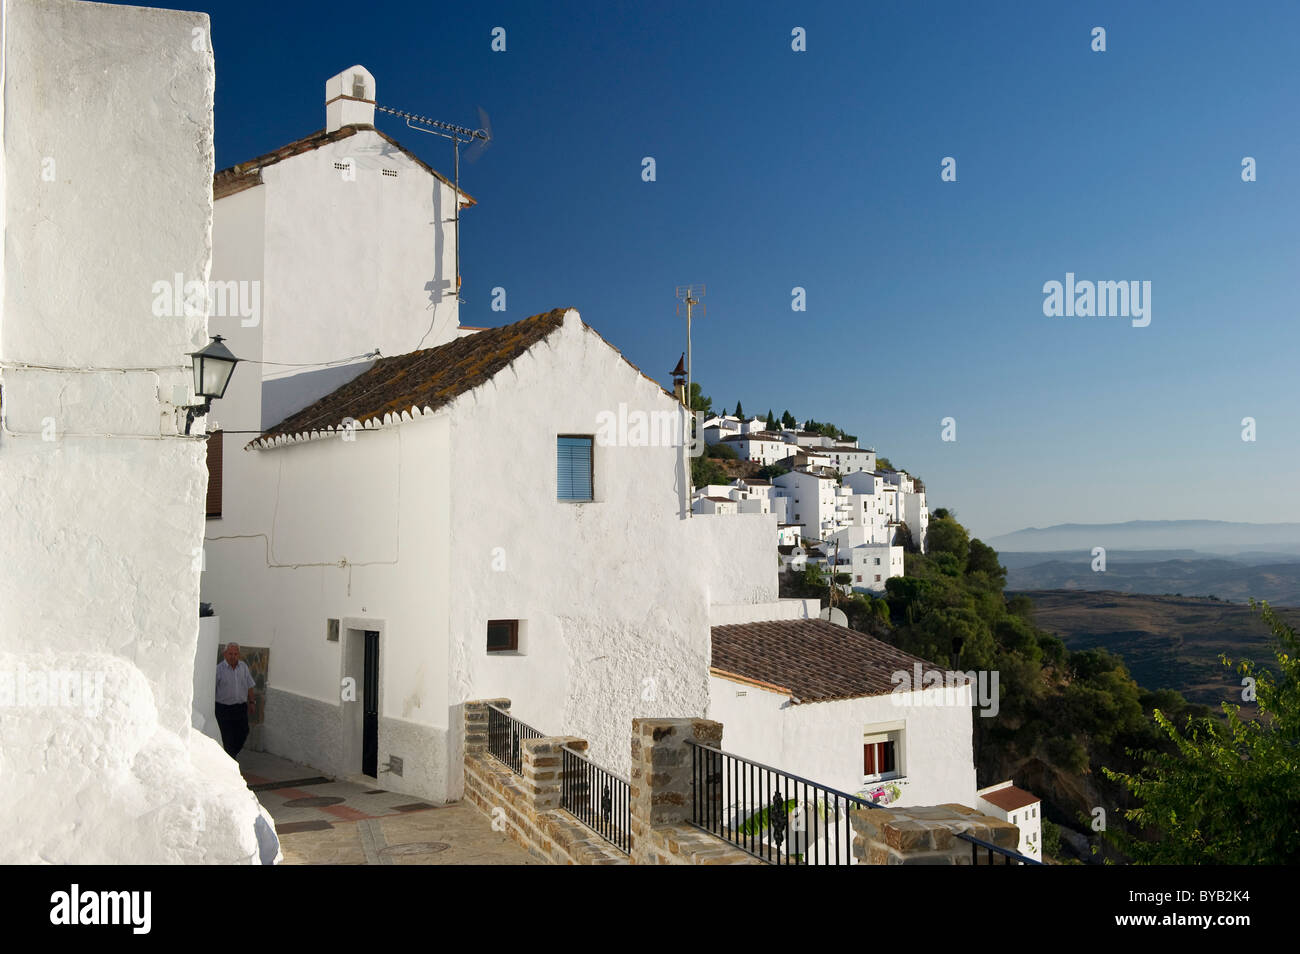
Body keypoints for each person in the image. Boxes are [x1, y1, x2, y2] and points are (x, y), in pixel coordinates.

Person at [215, 641, 256, 758]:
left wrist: (252, 702)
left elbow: (250, 685)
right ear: (225, 654)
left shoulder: (243, 667)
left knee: (243, 732)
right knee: (227, 736)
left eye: (235, 654)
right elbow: (212, 689)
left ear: (239, 655)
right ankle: (231, 758)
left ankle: (231, 755)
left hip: (240, 708)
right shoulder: (219, 669)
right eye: (230, 654)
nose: (233, 656)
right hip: (223, 709)